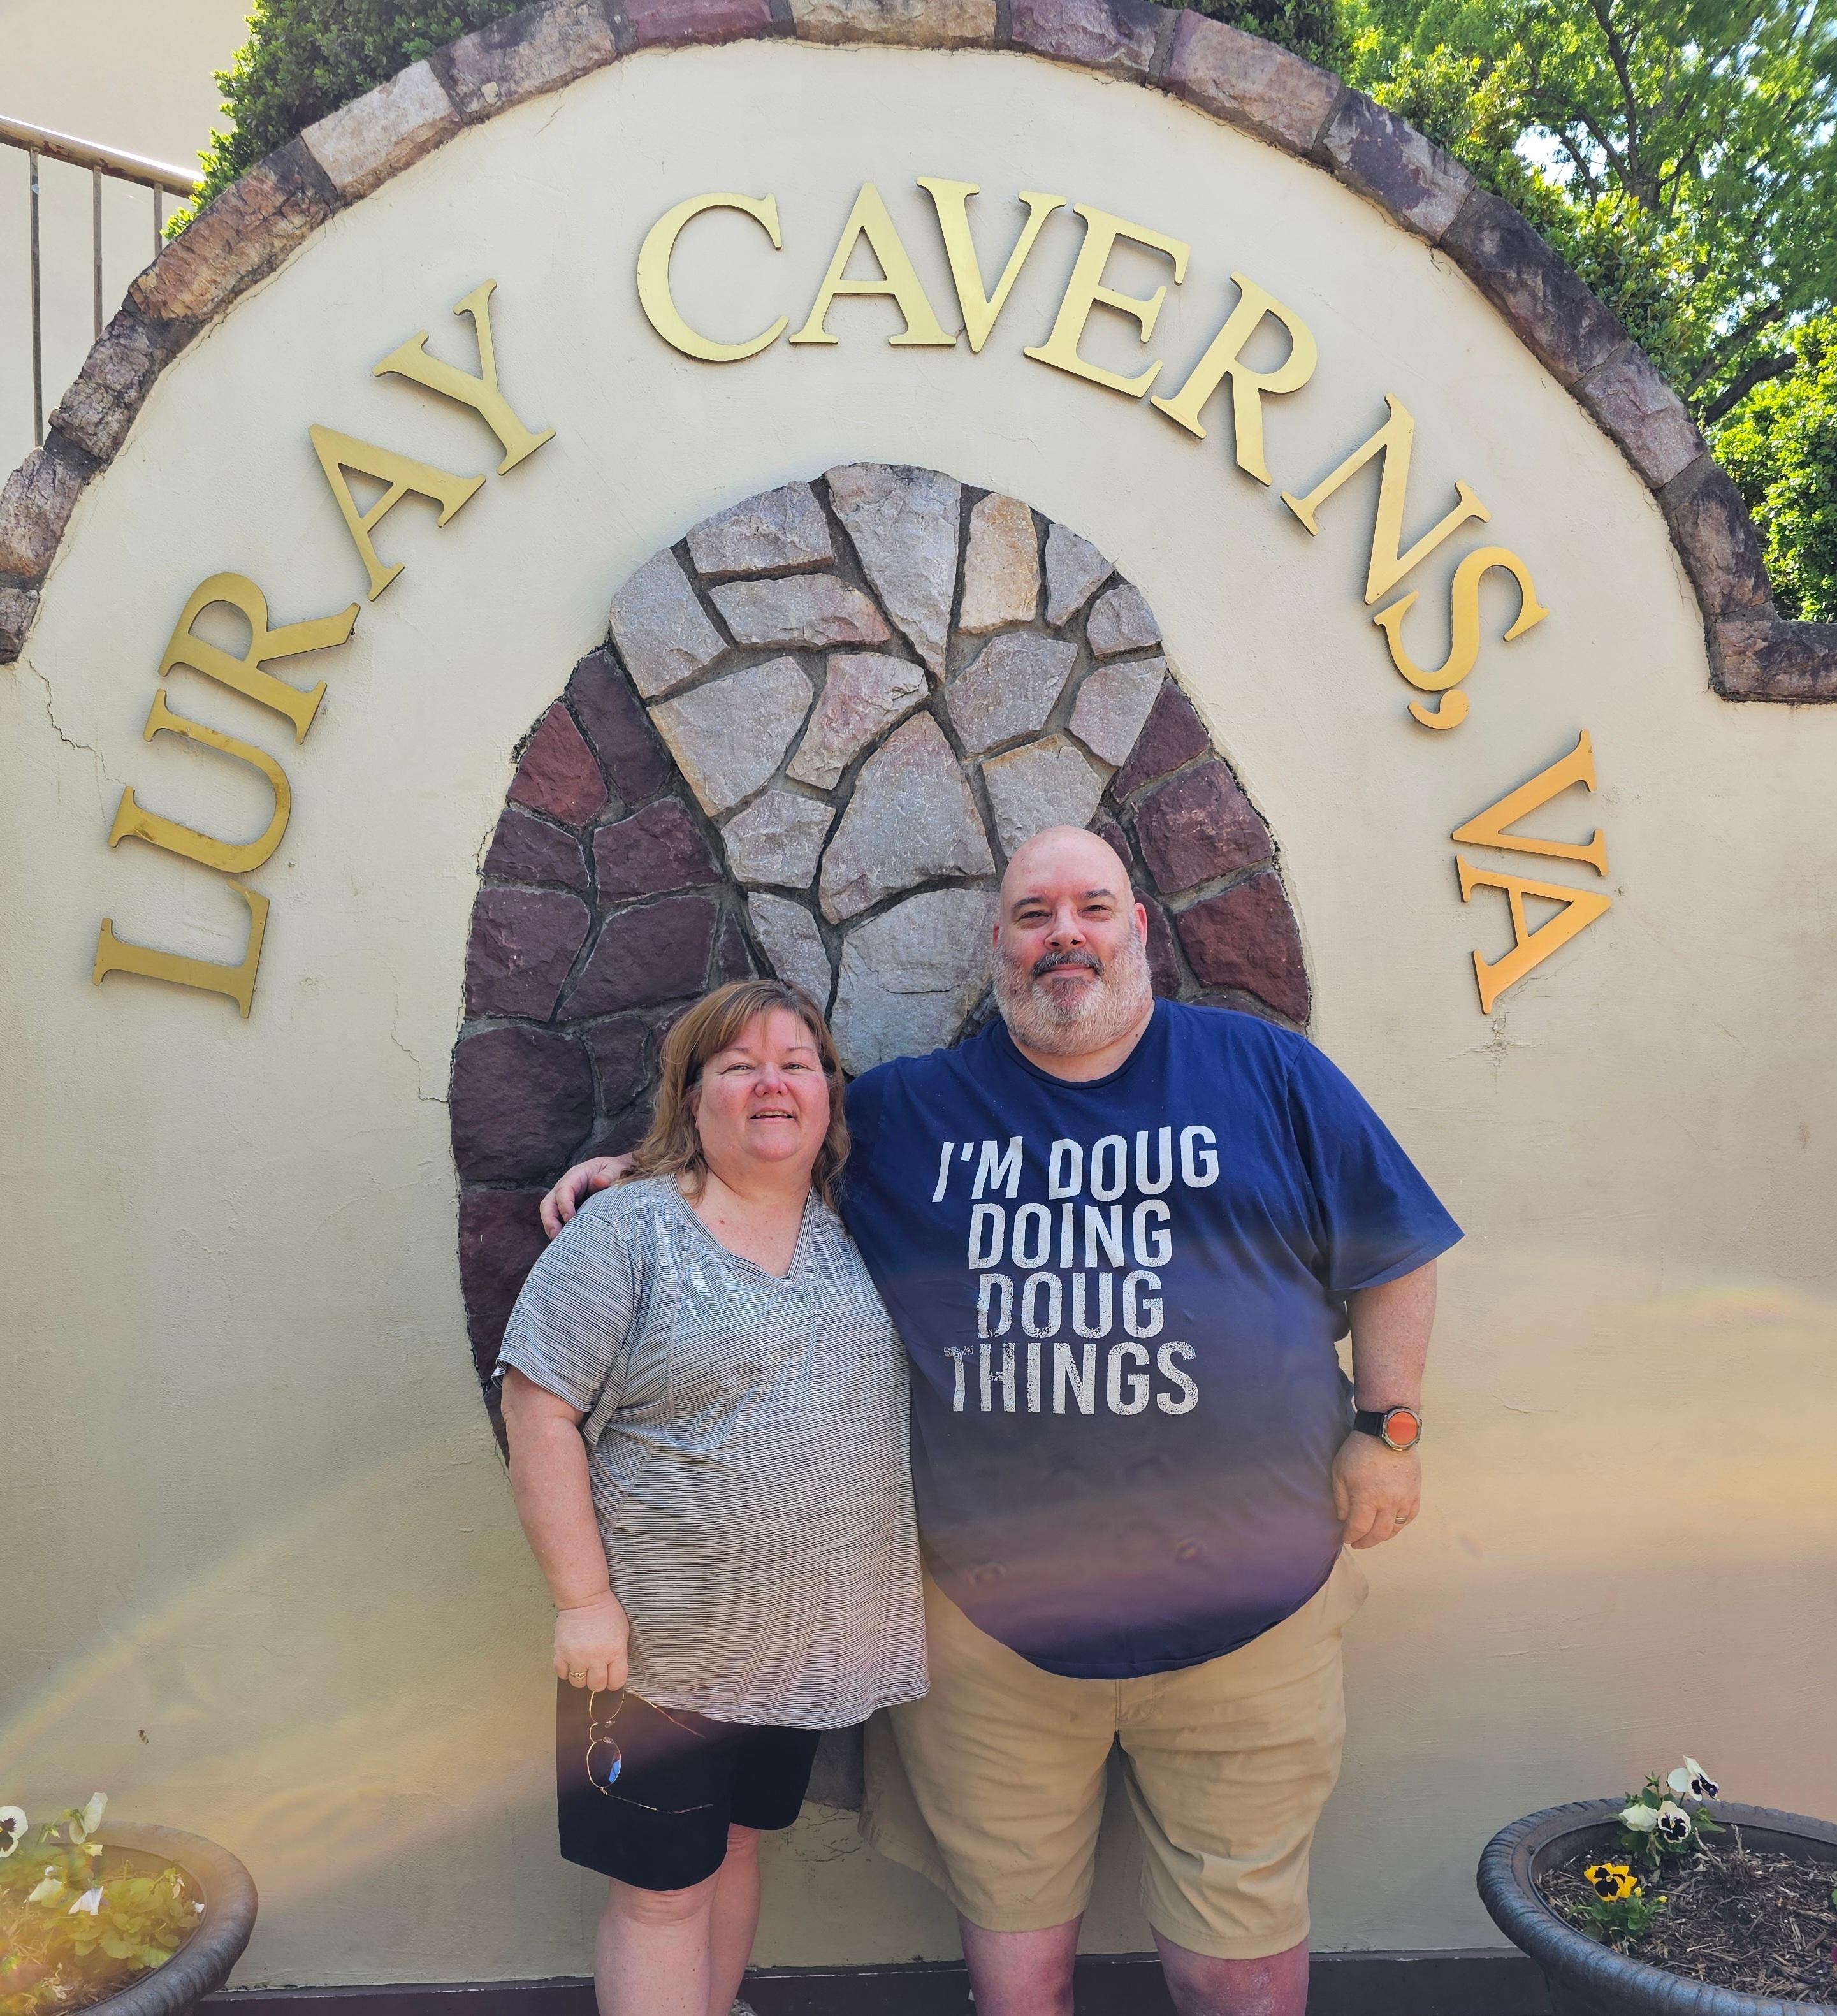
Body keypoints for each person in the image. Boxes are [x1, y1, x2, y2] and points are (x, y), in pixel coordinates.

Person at [542, 827, 1460, 2016]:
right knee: (1016, 1972)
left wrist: (1386, 1429)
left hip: (1255, 1610)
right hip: (993, 1635)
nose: (1063, 934)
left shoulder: (1265, 1073)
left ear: (1138, 929)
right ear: (996, 947)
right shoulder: (911, 1111)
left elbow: (1397, 1246)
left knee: (1240, 1967)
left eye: (1091, 906)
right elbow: (765, 1154)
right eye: (1033, 915)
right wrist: (646, 1171)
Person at [497, 978, 926, 2016]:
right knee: (659, 1897)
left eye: (796, 1063)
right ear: (692, 1099)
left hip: (798, 1651)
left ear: (828, 1095)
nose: (771, 1084)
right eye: (738, 1066)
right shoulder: (628, 1232)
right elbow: (536, 1407)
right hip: (654, 1658)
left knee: (734, 1853)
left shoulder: (857, 1228)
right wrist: (581, 1600)